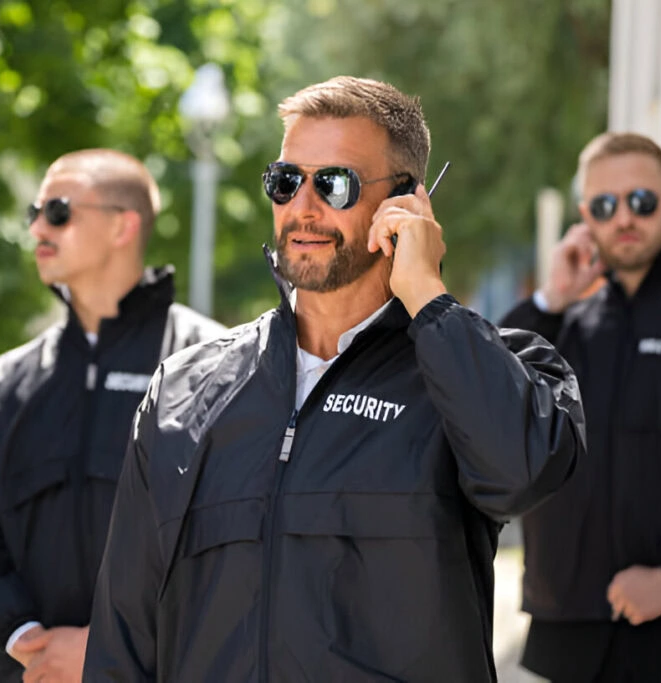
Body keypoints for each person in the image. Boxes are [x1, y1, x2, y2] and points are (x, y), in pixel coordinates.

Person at [84, 76, 585, 683]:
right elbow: (123, 631)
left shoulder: (483, 370)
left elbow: (523, 473)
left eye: (335, 184)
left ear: (406, 203)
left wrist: (428, 297)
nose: (303, 207)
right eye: (286, 180)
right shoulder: (183, 389)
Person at [0, 148, 225, 683]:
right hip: (34, 671)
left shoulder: (212, 362)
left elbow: (232, 542)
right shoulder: (10, 380)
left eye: (58, 212)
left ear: (123, 226)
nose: (37, 229)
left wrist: (110, 647)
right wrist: (23, 635)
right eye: (34, 213)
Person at [501, 131, 661, 682]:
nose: (624, 219)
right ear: (586, 214)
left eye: (643, 201)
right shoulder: (566, 322)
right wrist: (549, 299)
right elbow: (487, 396)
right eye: (606, 206)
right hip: (562, 635)